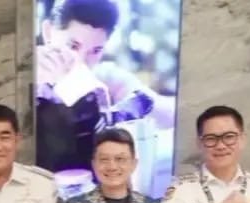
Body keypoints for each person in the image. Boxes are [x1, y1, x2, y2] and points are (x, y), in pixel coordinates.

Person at [35, 0, 175, 175]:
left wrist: (141, 104)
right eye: (73, 46)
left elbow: (173, 114)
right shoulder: (24, 76)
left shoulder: (104, 78)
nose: (81, 60)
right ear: (48, 32)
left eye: (95, 51)